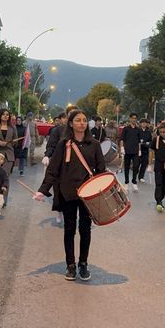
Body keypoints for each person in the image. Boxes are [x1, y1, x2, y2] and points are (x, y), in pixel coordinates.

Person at [34, 109, 106, 281]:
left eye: (84, 120)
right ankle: (70, 265)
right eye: (78, 120)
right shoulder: (63, 143)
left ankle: (83, 263)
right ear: (71, 123)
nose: (82, 123)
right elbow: (53, 170)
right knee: (69, 230)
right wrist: (42, 190)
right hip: (67, 192)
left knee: (85, 229)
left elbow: (101, 170)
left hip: (88, 194)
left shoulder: (95, 144)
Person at [43, 112, 68, 224]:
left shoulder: (79, 131)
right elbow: (51, 145)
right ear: (62, 119)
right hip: (59, 164)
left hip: (74, 166)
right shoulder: (57, 130)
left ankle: (70, 212)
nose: (67, 119)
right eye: (65, 117)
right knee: (58, 189)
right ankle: (59, 211)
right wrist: (47, 156)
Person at [150, 123, 165, 212]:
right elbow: (151, 150)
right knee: (158, 184)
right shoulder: (156, 139)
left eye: (164, 132)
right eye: (160, 132)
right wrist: (150, 163)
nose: (162, 133)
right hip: (158, 165)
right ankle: (158, 201)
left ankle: (161, 198)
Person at [120, 113, 141, 192]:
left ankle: (134, 181)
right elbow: (122, 139)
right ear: (130, 119)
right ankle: (126, 182)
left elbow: (139, 141)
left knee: (136, 166)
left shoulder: (138, 130)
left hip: (135, 151)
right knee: (127, 167)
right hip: (127, 151)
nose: (134, 119)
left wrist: (139, 150)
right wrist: (122, 148)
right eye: (132, 118)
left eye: (135, 118)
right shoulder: (126, 129)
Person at [137, 118, 152, 183]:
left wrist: (147, 143)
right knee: (137, 164)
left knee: (144, 163)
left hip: (145, 150)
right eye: (142, 122)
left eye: (145, 123)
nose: (144, 124)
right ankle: (135, 174)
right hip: (138, 150)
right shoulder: (137, 131)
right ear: (140, 124)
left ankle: (141, 177)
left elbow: (150, 141)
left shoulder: (148, 132)